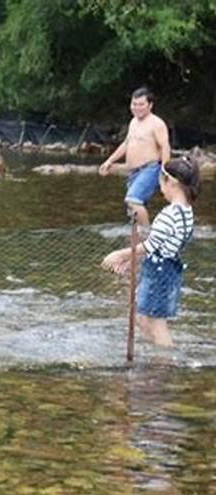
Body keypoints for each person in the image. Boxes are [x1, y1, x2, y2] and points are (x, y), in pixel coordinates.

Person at [102, 157, 200, 347]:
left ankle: (165, 362)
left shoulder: (169, 214)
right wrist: (131, 262)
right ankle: (155, 352)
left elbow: (151, 245)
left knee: (156, 324)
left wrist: (121, 255)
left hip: (159, 274)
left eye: (160, 183)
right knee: (142, 317)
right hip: (168, 270)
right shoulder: (186, 211)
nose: (159, 189)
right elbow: (162, 245)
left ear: (171, 183)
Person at [99, 87, 171, 227]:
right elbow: (126, 143)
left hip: (150, 169)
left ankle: (147, 236)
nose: (137, 108)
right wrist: (109, 160)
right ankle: (137, 238)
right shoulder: (133, 122)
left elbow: (165, 147)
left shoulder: (156, 123)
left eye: (141, 104)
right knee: (133, 210)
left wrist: (164, 171)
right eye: (134, 104)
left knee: (133, 200)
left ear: (150, 105)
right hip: (133, 172)